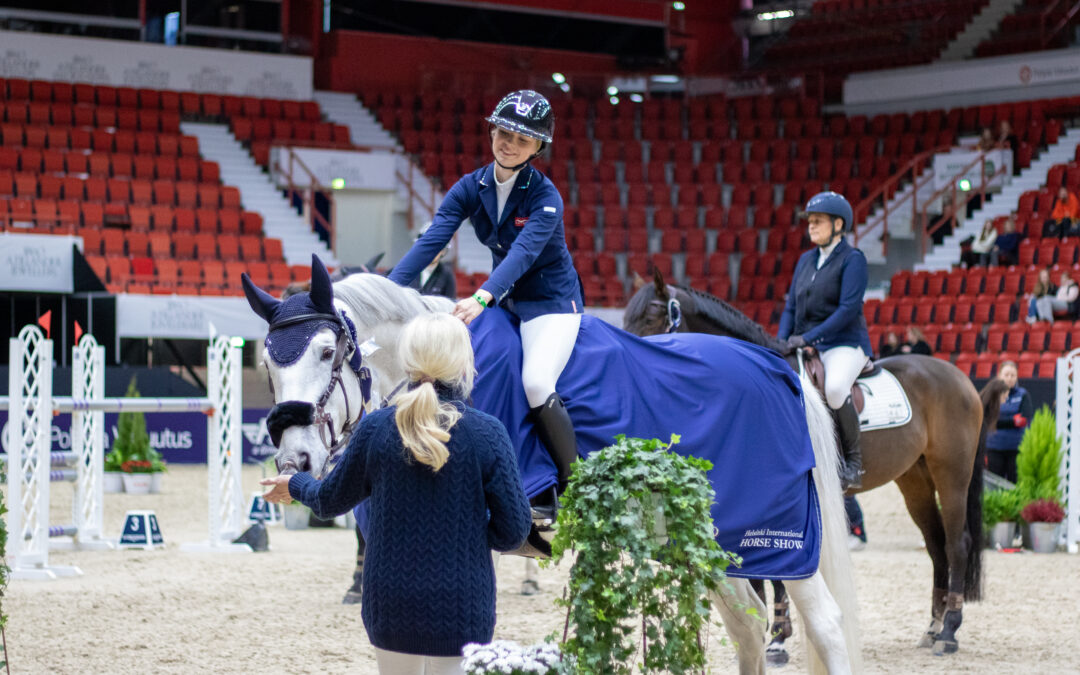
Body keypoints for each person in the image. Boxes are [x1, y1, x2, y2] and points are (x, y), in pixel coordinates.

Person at [260, 314, 532, 674]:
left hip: (390, 604)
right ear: (464, 362)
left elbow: (328, 500)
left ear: (409, 362)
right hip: (462, 606)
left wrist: (295, 483)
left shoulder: (375, 428)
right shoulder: (488, 433)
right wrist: (470, 536)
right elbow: (514, 531)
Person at [387, 89, 583, 502]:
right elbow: (432, 240)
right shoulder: (470, 186)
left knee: (536, 382)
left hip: (549, 304)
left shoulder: (546, 197)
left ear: (538, 147)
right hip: (505, 301)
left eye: (522, 140)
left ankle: (575, 483)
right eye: (504, 134)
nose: (509, 145)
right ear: (492, 131)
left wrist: (481, 298)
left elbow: (523, 254)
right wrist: (386, 289)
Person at [778, 191, 871, 490]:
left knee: (834, 389)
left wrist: (808, 337)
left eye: (818, 221)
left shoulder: (853, 260)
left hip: (844, 343)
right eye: (810, 222)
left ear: (838, 224)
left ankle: (853, 463)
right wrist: (779, 342)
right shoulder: (806, 260)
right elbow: (791, 307)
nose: (811, 226)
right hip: (807, 343)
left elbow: (847, 310)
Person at [986, 361, 1033, 484]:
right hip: (994, 447)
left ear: (1017, 377)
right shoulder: (992, 394)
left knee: (1014, 484)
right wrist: (1013, 420)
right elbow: (989, 419)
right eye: (1006, 375)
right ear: (999, 375)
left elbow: (1024, 420)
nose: (1009, 378)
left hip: (1016, 448)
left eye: (1013, 375)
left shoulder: (1023, 394)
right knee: (994, 485)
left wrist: (999, 421)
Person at [407, 224, 457, 300]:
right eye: (428, 245)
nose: (432, 250)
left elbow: (450, 303)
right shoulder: (407, 269)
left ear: (444, 251)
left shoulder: (446, 274)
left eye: (437, 246)